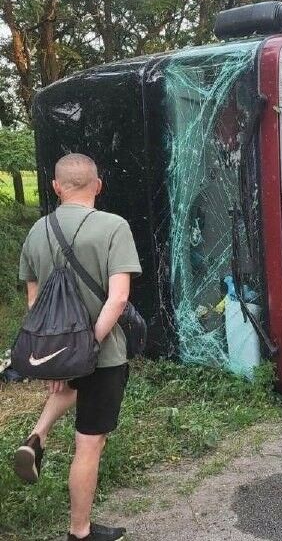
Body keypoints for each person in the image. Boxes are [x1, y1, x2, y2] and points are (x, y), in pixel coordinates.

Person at [15, 153, 141, 541]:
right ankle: (79, 532)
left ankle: (37, 435)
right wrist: (87, 346)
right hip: (103, 354)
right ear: (98, 185)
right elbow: (118, 299)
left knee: (67, 387)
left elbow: (34, 302)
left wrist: (60, 354)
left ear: (55, 187)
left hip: (57, 348)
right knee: (89, 444)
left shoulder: (37, 231)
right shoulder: (114, 227)